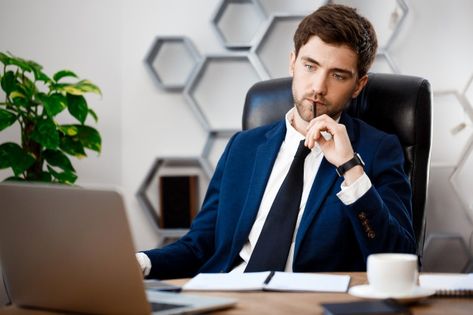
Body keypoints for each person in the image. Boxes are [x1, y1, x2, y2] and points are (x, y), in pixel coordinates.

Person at [136, 4, 416, 279]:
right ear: (293, 62)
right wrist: (141, 263)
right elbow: (200, 245)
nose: (318, 86)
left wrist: (350, 167)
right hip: (229, 293)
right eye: (310, 66)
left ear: (358, 85)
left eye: (337, 75)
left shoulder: (378, 150)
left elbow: (401, 255)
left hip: (307, 303)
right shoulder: (242, 147)